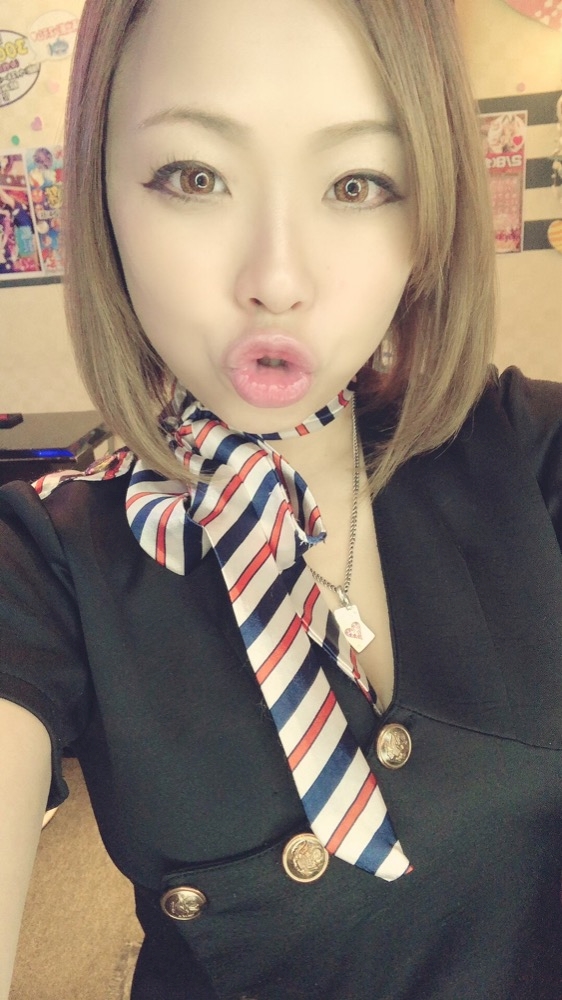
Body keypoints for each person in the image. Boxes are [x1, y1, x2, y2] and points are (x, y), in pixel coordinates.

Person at [1, 0, 561, 997]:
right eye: (195, 176)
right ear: (100, 197)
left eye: (356, 182)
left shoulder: (532, 452)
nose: (277, 279)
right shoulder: (44, 557)